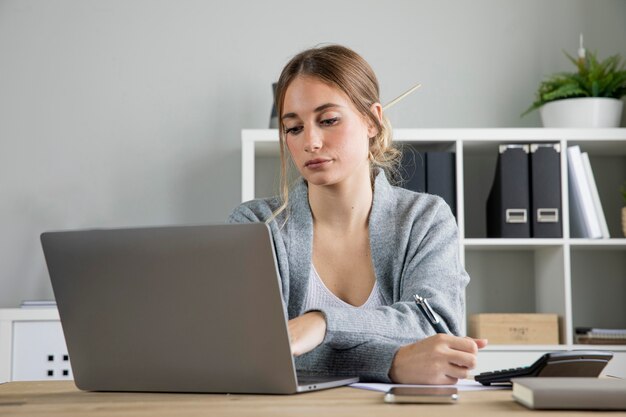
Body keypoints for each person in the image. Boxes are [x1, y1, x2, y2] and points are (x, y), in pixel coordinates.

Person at [228, 44, 487, 384]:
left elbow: (435, 329)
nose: (311, 142)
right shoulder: (256, 225)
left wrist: (322, 323)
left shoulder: (426, 219)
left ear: (372, 120)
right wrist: (392, 363)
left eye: (329, 120)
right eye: (293, 128)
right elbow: (256, 347)